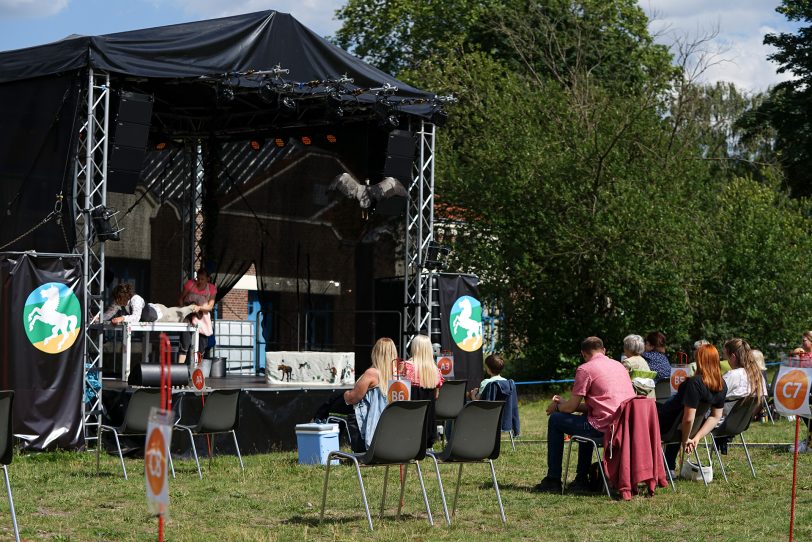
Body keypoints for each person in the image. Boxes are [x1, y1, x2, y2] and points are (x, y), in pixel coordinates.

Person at [533, 336, 636, 493]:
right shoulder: (620, 366)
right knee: (585, 419)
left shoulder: (585, 369)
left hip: (603, 428)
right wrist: (564, 404)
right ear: (604, 350)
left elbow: (570, 408)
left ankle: (553, 480)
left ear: (583, 354)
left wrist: (558, 407)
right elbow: (600, 405)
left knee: (555, 420)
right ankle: (581, 480)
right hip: (623, 428)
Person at [656, 344, 727, 474]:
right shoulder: (721, 384)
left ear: (700, 360)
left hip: (668, 424)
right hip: (680, 426)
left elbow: (688, 419)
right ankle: (668, 467)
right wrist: (696, 437)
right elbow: (716, 416)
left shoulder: (695, 383)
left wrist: (685, 440)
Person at [338, 337, 396, 452]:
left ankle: (316, 425)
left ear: (375, 353)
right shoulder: (399, 374)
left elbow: (353, 398)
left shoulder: (372, 373)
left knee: (331, 403)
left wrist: (345, 395)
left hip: (372, 426)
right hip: (391, 428)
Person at [714, 339, 767, 453]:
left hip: (720, 423)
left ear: (733, 356)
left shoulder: (732, 375)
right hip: (741, 424)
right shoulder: (758, 375)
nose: (725, 360)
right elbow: (761, 401)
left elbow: (713, 397)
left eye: (725, 356)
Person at [402, 334, 444, 448]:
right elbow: (436, 395)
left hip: (410, 417)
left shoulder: (406, 367)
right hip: (428, 420)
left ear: (414, 348)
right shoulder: (435, 370)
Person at [177, 268, 216, 364]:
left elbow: (210, 307)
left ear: (208, 279)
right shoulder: (190, 284)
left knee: (201, 345)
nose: (199, 281)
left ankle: (197, 369)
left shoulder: (211, 288)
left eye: (202, 279)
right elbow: (181, 299)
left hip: (202, 318)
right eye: (198, 278)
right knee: (185, 344)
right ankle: (180, 368)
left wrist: (199, 308)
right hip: (188, 316)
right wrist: (184, 310)